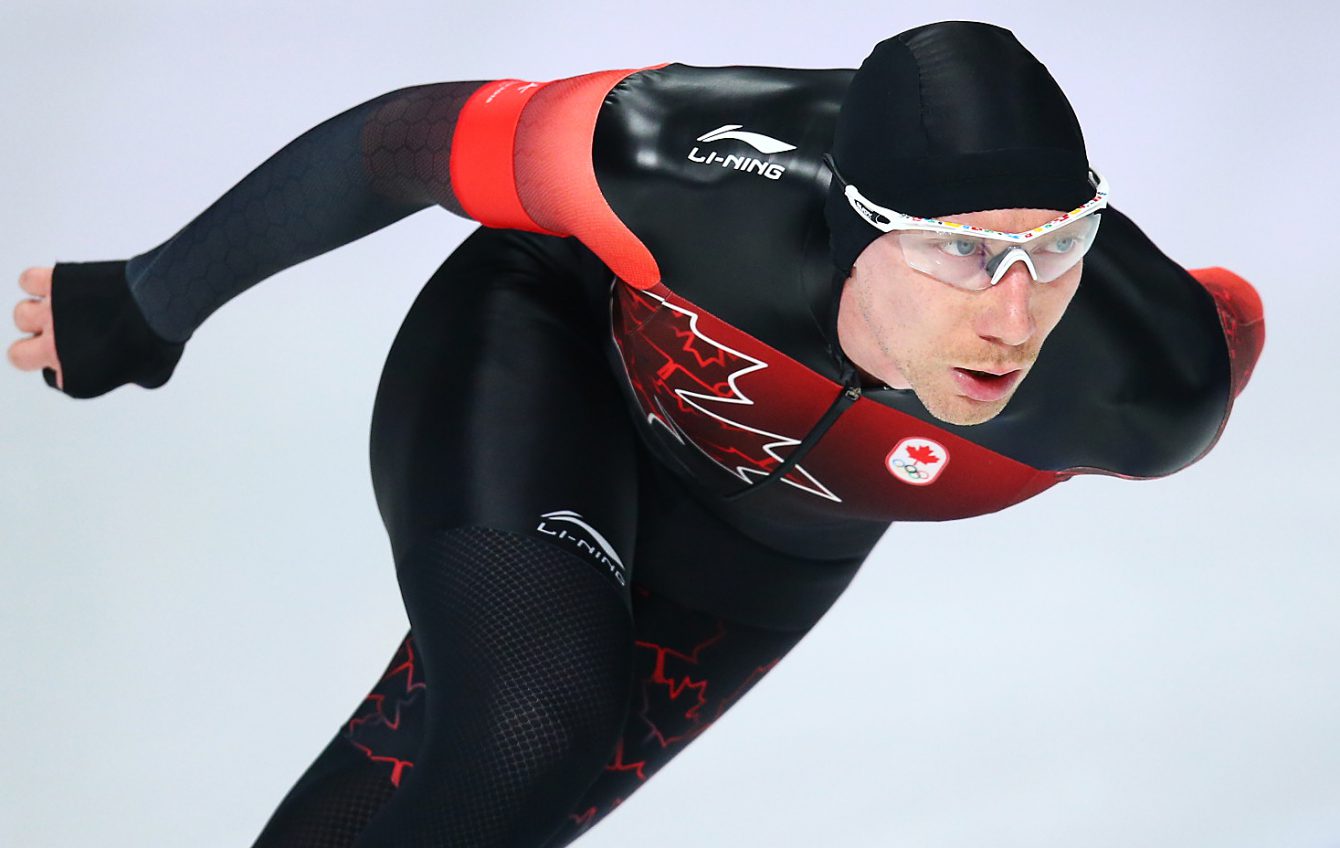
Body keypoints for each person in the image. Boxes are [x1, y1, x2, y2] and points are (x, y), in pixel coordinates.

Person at [7, 19, 1264, 848]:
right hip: (552, 354)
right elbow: (397, 145)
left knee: (484, 789)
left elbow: (1226, 312)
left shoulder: (1146, 388)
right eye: (960, 252)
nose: (1012, 314)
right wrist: (146, 303)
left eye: (1054, 249)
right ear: (850, 224)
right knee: (527, 723)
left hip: (760, 550)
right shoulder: (670, 163)